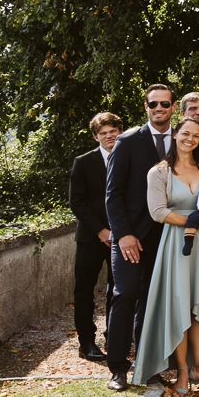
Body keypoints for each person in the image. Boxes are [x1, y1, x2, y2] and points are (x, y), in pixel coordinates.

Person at [131, 117, 199, 393]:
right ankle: (181, 374)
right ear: (175, 135)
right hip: (176, 247)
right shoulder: (159, 173)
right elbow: (157, 213)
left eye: (196, 135)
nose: (190, 139)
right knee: (180, 309)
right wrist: (196, 222)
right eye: (185, 133)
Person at [103, 84, 177, 391]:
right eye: (153, 104)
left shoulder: (185, 139)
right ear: (145, 107)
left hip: (168, 236)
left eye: (164, 104)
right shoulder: (128, 141)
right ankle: (118, 368)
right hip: (131, 238)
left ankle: (148, 366)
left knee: (153, 302)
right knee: (125, 294)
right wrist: (123, 235)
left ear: (174, 107)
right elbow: (112, 194)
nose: (159, 108)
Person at [70, 112, 121, 363]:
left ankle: (115, 336)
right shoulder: (83, 162)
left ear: (119, 132)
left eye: (113, 131)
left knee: (119, 290)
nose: (109, 136)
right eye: (104, 133)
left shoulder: (128, 158)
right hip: (91, 237)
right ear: (95, 136)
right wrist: (101, 231)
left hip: (122, 237)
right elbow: (77, 202)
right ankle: (86, 342)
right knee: (84, 290)